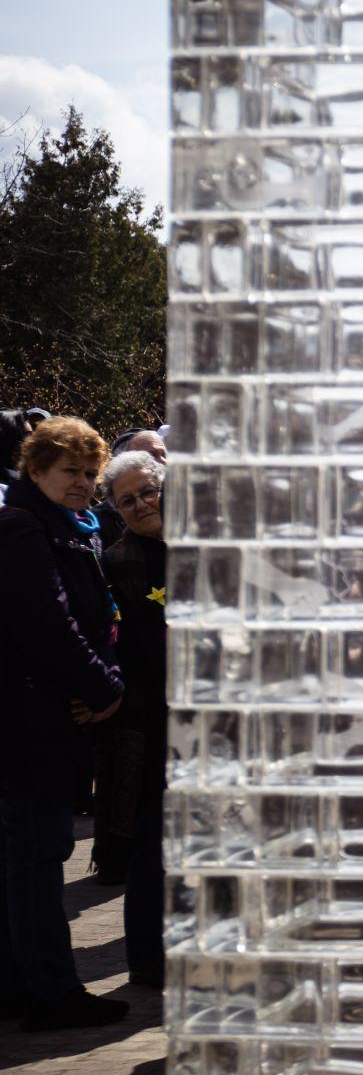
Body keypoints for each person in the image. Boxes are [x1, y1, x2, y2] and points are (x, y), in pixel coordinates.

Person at [0, 416, 129, 1030]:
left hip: (51, 718)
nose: (82, 483)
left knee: (31, 856)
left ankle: (27, 986)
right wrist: (104, 687)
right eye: (69, 471)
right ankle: (50, 992)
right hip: (30, 724)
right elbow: (49, 625)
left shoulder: (72, 530)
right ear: (35, 471)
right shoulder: (24, 531)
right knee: (36, 859)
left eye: (89, 472)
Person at [100, 449, 168, 982]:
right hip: (152, 718)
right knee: (152, 839)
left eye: (148, 491)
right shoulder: (118, 558)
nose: (142, 504)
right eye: (127, 501)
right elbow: (122, 641)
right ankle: (147, 963)